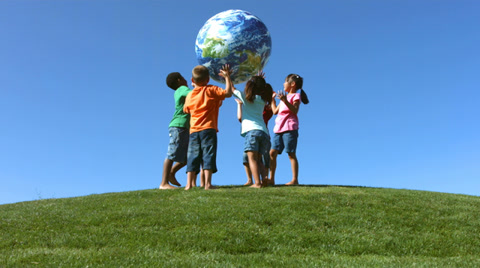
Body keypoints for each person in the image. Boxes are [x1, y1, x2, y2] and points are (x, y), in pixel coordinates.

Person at [183, 64, 233, 190]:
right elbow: (228, 93)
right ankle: (207, 184)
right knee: (208, 155)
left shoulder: (189, 95)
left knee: (193, 156)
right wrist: (227, 77)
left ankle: (188, 184)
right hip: (208, 129)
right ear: (208, 80)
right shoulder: (211, 89)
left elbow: (186, 110)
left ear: (192, 80)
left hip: (194, 130)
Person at [269, 74, 309, 185]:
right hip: (278, 128)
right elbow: (274, 112)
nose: (283, 84)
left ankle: (295, 179)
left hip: (290, 128)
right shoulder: (284, 98)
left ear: (292, 84)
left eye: (285, 81)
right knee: (272, 152)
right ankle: (271, 179)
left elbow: (295, 110)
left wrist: (285, 100)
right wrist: (273, 100)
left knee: (291, 153)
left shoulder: (295, 96)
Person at [233, 76, 272, 188]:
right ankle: (264, 179)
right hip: (264, 132)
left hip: (252, 132)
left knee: (252, 158)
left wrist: (227, 77)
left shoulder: (246, 98)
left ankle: (257, 183)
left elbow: (231, 89)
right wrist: (259, 79)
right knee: (259, 159)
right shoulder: (263, 100)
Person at [159, 72, 191, 189]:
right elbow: (194, 95)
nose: (185, 79)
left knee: (188, 157)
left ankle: (172, 172)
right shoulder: (182, 88)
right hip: (179, 126)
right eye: (183, 77)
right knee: (172, 153)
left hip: (184, 127)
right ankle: (163, 183)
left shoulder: (180, 90)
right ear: (179, 80)